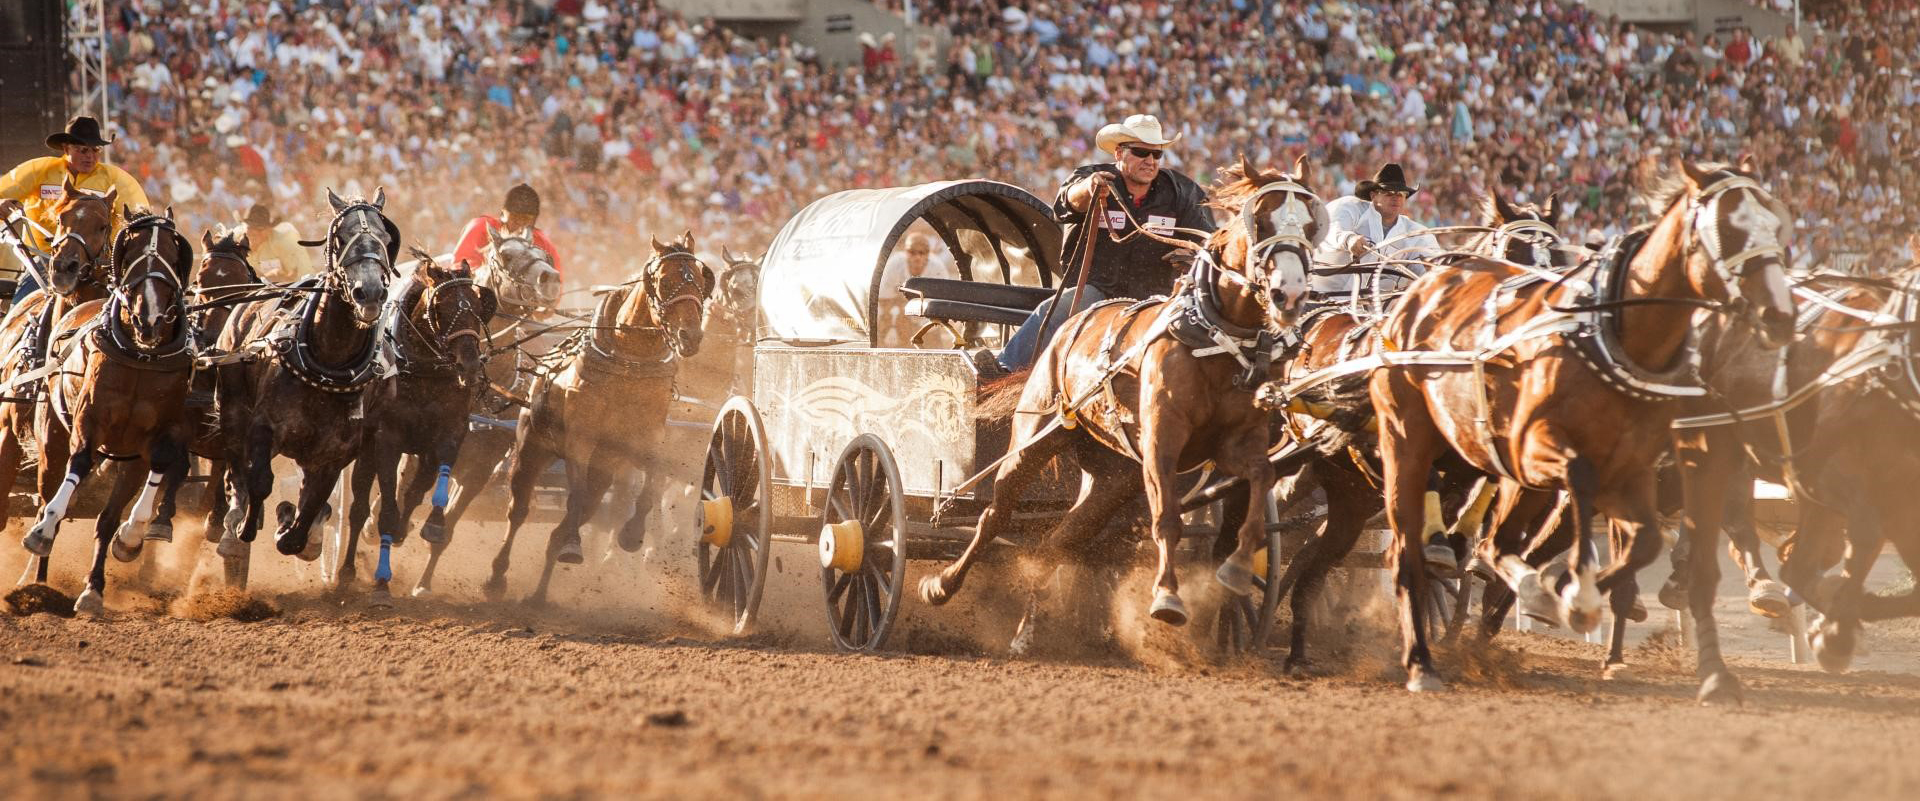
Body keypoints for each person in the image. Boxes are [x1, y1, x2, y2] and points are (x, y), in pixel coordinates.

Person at [996, 114, 1213, 371]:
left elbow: (1207, 240)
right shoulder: (1093, 177)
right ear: (1119, 153)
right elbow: (1065, 204)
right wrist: (1089, 189)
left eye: (1157, 155)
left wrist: (1191, 255)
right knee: (1054, 311)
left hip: (1157, 295)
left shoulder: (1182, 192)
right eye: (1141, 152)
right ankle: (1004, 369)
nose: (1150, 161)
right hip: (1098, 289)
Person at [0, 116, 151, 301]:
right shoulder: (40, 170)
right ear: (66, 149)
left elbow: (141, 219)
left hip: (98, 265)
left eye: (95, 150)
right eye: (83, 150)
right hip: (46, 258)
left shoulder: (117, 179)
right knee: (22, 305)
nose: (90, 156)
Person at [1311, 162, 1439, 296]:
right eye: (1389, 193)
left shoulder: (1415, 234)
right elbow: (1330, 229)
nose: (1396, 198)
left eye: (1401, 194)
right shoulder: (1351, 207)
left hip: (1368, 311)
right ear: (1373, 196)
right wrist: (1348, 239)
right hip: (1321, 299)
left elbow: (1432, 266)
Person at [451, 183, 563, 275]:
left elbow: (555, 283)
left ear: (533, 221)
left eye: (525, 220)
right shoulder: (481, 227)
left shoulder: (543, 244)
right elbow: (460, 264)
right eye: (514, 218)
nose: (519, 224)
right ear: (504, 214)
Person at [878, 231, 956, 347]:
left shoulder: (938, 270)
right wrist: (892, 325)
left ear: (928, 254)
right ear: (905, 252)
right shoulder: (894, 265)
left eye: (922, 252)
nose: (917, 257)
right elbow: (883, 299)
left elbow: (944, 304)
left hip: (928, 317)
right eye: (912, 252)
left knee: (933, 350)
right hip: (900, 315)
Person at [239, 203, 313, 284]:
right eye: (250, 228)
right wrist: (265, 278)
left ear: (268, 229)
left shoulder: (282, 242)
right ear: (244, 228)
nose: (254, 232)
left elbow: (300, 275)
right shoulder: (237, 247)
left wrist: (281, 278)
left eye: (259, 229)